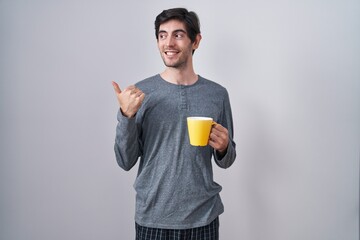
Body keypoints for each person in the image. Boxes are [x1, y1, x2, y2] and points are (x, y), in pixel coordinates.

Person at [112, 7, 236, 240]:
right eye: (162, 35)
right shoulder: (141, 93)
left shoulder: (217, 94)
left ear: (195, 41)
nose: (168, 42)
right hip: (153, 218)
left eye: (178, 35)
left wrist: (224, 147)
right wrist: (126, 117)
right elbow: (125, 161)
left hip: (203, 218)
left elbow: (227, 160)